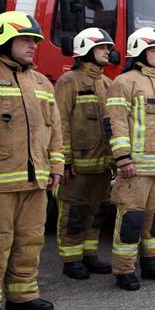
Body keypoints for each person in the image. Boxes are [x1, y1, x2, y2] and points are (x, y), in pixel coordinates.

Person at [0, 12, 63, 310]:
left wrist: (56, 165)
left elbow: (55, 129)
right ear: (2, 40)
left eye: (35, 41)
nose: (33, 46)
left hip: (36, 181)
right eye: (25, 40)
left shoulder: (41, 82)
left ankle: (23, 294)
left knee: (31, 240)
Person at [105, 27, 155, 291]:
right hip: (135, 168)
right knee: (131, 220)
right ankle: (125, 270)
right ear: (139, 51)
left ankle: (152, 263)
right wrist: (123, 158)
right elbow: (116, 122)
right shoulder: (124, 82)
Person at [54, 27, 115, 280]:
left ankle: (89, 255)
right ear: (86, 49)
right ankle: (71, 259)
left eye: (108, 48)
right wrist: (64, 162)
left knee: (96, 211)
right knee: (74, 212)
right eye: (102, 47)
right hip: (77, 164)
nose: (107, 52)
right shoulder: (68, 81)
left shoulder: (107, 83)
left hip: (102, 165)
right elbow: (60, 124)